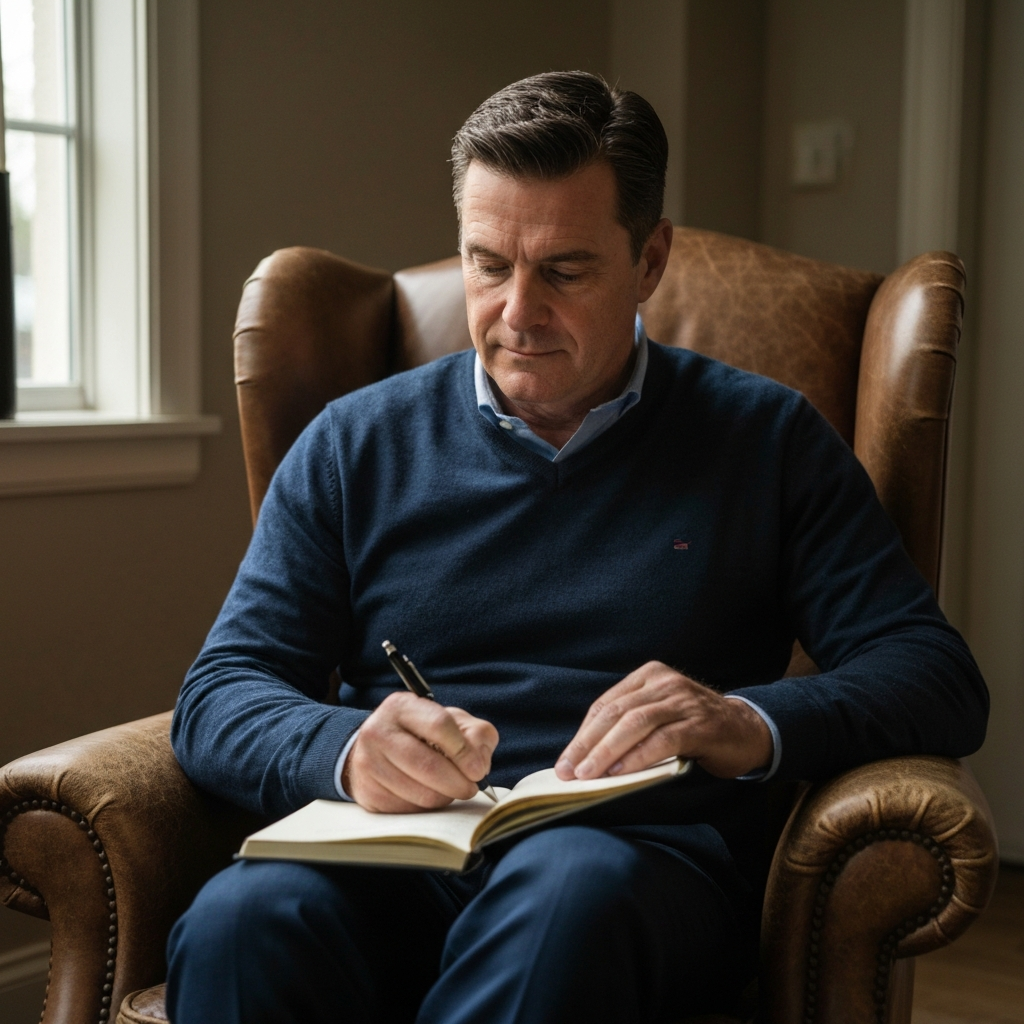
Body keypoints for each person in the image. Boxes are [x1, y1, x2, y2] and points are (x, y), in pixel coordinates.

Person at [166, 71, 988, 1024]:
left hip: (628, 869)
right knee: (240, 918)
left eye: (563, 270)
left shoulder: (768, 441)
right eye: (486, 264)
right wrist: (345, 747)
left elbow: (934, 676)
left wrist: (740, 719)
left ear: (649, 261)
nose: (516, 312)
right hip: (393, 852)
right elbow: (220, 692)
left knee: (565, 901)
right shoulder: (355, 444)